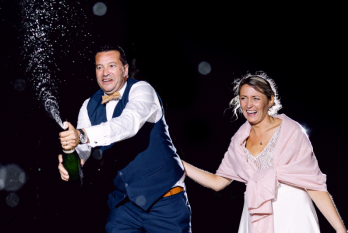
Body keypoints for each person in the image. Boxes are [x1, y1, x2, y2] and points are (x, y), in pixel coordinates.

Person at [182, 72, 346, 233]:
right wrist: (177, 162)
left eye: (256, 98)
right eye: (244, 98)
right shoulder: (239, 141)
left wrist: (340, 229)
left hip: (293, 214)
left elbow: (314, 185)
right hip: (255, 216)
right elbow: (217, 182)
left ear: (270, 100)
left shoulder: (291, 132)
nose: (248, 105)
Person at [58, 45, 191, 232]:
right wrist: (72, 154)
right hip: (124, 205)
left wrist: (81, 135)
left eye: (111, 65)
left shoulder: (142, 90)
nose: (105, 73)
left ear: (125, 69)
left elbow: (128, 124)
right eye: (99, 67)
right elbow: (83, 148)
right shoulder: (88, 105)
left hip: (165, 200)